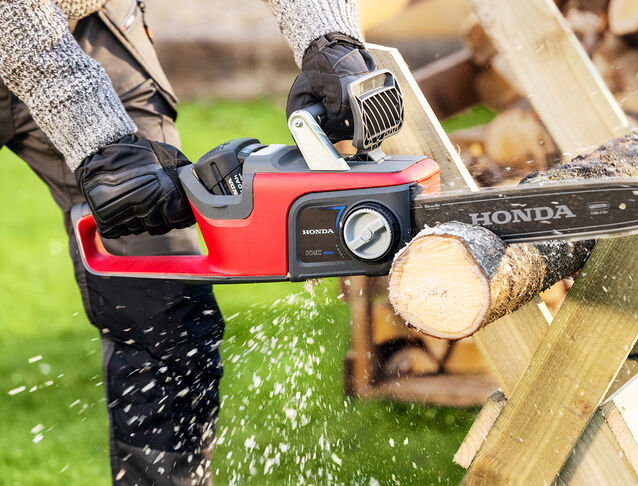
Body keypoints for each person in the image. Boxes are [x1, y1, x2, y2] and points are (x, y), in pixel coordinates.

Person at [0, 0, 375, 484]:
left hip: (85, 27)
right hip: (29, 28)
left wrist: (330, 39)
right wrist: (97, 136)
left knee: (166, 312)